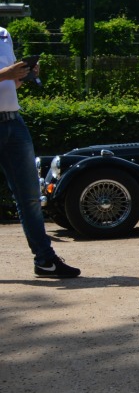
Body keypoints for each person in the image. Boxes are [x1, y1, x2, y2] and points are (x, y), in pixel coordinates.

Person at [0, 29, 80, 279]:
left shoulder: (3, 34)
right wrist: (7, 73)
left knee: (30, 197)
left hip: (13, 121)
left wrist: (24, 76)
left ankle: (45, 261)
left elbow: (10, 85)